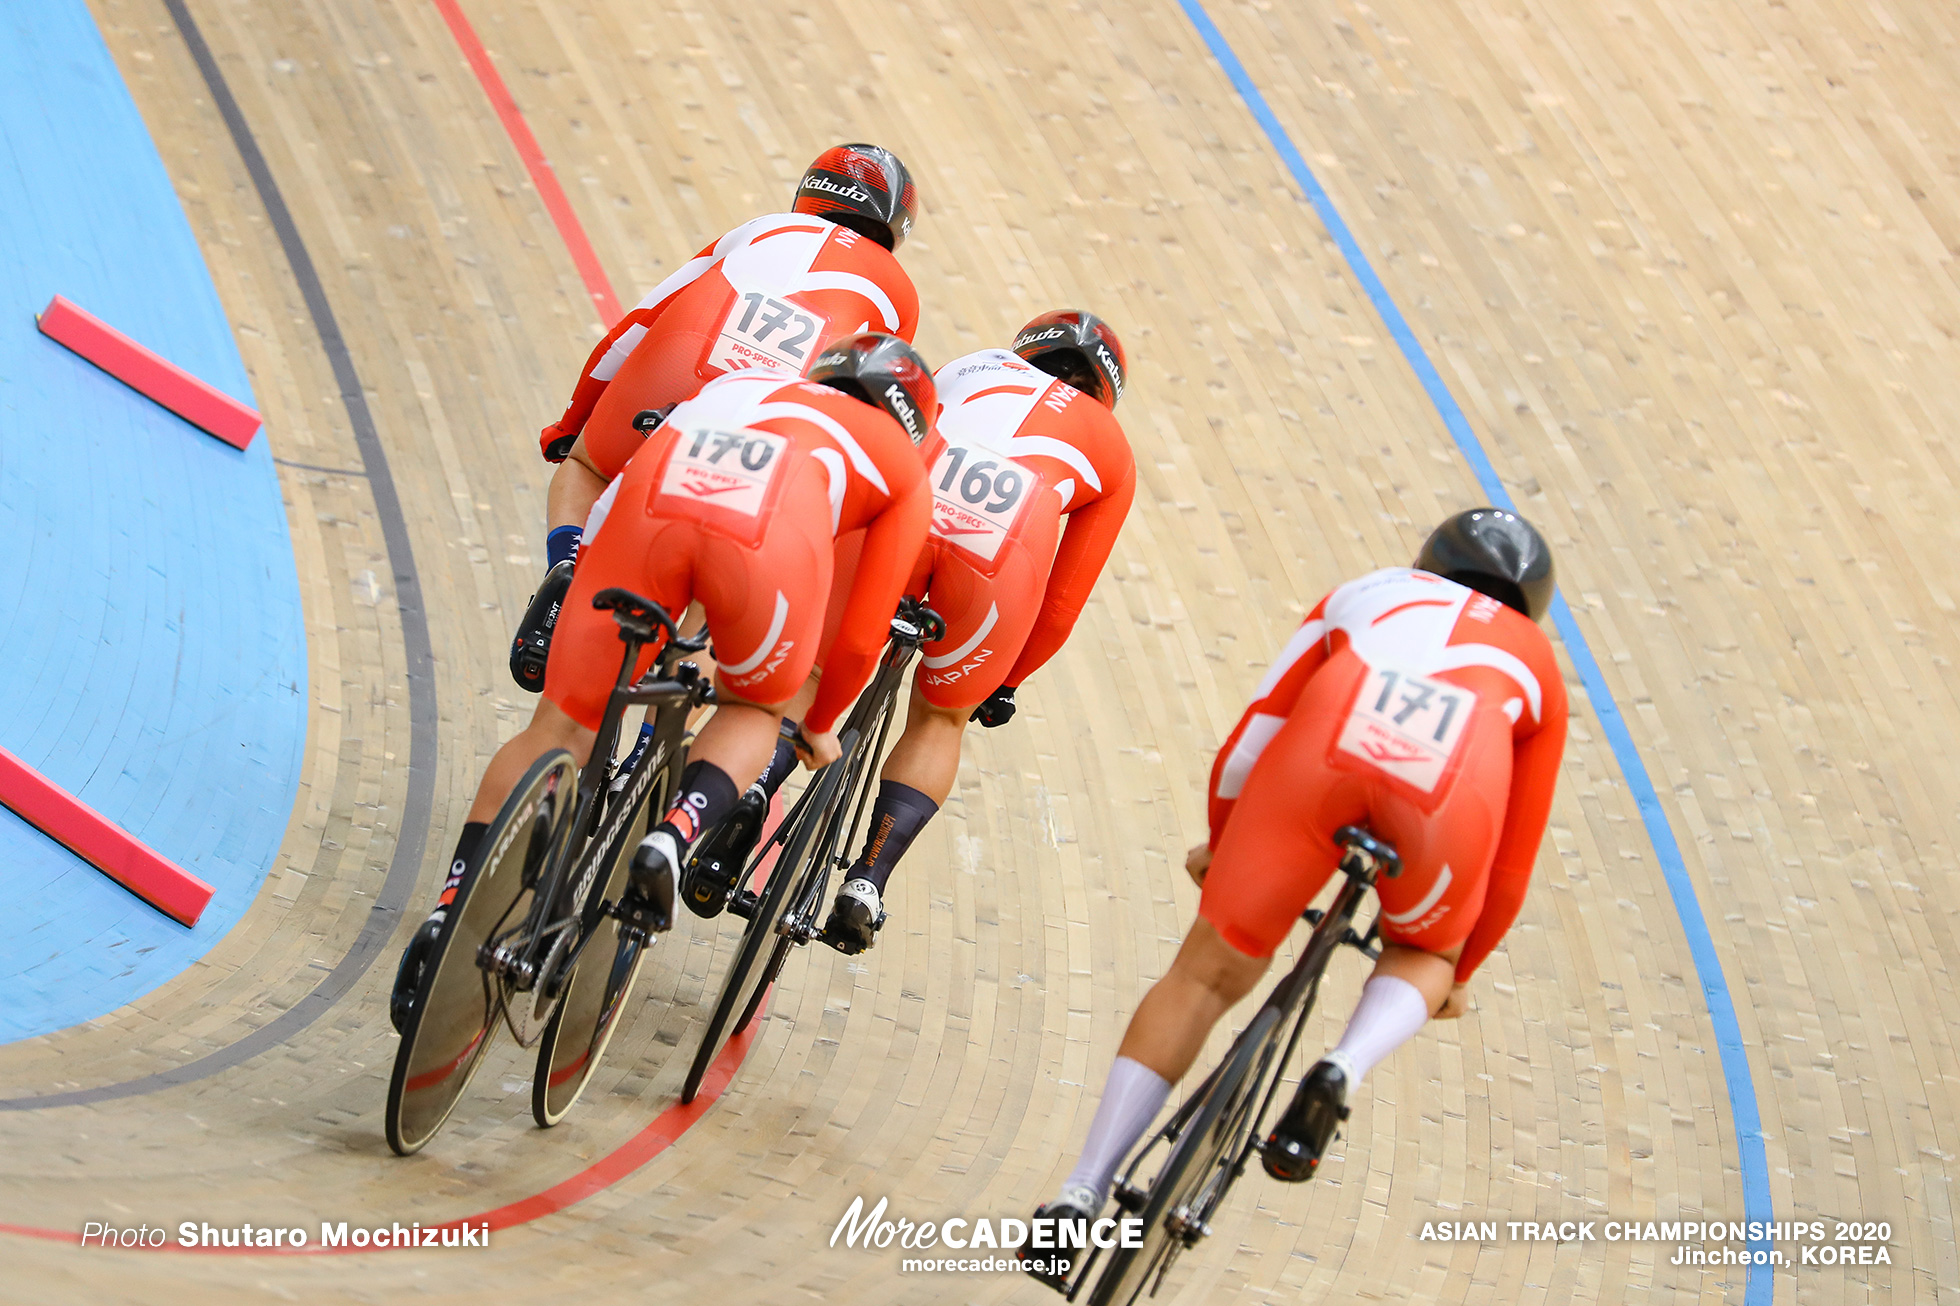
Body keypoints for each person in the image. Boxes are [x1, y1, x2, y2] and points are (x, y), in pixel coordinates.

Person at [1023, 508, 1568, 1275]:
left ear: (1429, 563)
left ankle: (1081, 1193)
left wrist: (1223, 841)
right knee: (1422, 953)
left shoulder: (1370, 591)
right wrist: (1454, 968)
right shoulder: (1538, 664)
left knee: (1204, 974)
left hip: (1321, 759)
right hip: (1448, 797)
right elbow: (1511, 864)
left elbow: (1254, 736)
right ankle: (1343, 1065)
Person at [391, 333, 933, 1032]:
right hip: (765, 555)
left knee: (559, 725)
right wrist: (819, 722)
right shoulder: (902, 468)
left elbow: (622, 486)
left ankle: (447, 913)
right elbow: (861, 634)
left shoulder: (739, 387)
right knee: (753, 710)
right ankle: (673, 836)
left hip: (648, 517)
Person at [509, 143, 922, 692]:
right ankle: (656, 751)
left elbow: (636, 325)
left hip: (679, 369)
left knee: (589, 469)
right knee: (723, 550)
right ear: (896, 230)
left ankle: (568, 564)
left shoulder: (760, 229)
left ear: (809, 194)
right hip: (767, 416)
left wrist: (574, 426)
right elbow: (855, 412)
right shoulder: (901, 295)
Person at [810, 311, 1137, 953]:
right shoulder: (1115, 450)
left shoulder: (971, 365)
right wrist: (1005, 680)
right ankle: (868, 879)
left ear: (1026, 350)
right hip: (1002, 552)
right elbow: (1062, 602)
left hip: (914, 502)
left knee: (816, 670)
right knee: (939, 720)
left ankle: (756, 785)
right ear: (1104, 392)